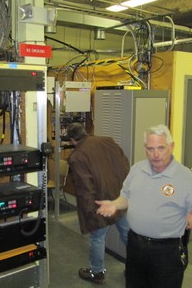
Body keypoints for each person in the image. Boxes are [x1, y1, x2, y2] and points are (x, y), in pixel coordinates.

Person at [96, 124, 192, 288]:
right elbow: (126, 196)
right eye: (150, 149)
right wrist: (114, 204)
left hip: (167, 251)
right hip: (135, 244)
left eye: (161, 148)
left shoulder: (186, 177)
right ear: (145, 149)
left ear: (171, 147)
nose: (156, 154)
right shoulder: (137, 169)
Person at [66, 122, 130, 285]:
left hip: (100, 203)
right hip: (118, 198)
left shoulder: (77, 156)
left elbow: (84, 187)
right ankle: (136, 266)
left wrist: (90, 211)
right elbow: (125, 164)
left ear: (72, 140)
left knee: (97, 237)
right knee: (127, 233)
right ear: (85, 132)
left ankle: (97, 272)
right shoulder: (107, 141)